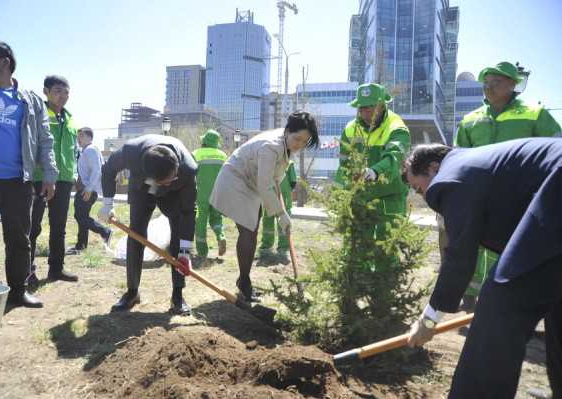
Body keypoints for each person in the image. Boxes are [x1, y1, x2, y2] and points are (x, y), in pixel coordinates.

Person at [404, 139, 562, 398]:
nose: (423, 196)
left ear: (433, 168)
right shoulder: (479, 168)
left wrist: (429, 318)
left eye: (418, 188)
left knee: (501, 302)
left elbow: (460, 256)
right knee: (555, 298)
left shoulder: (451, 176)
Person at [449, 62, 561, 312]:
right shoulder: (471, 120)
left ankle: (513, 304)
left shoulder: (535, 114)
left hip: (523, 197)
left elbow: (556, 150)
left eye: (496, 82)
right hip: (480, 196)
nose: (488, 87)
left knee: (516, 248)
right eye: (486, 82)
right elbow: (459, 157)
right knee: (473, 246)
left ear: (512, 84)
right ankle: (470, 303)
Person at [0, 38, 57, 307]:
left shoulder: (31, 101)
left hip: (17, 181)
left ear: (4, 62)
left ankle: (18, 291)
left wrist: (49, 174)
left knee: (19, 240)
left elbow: (45, 139)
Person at [210, 111, 319, 302]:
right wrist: (280, 214)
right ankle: (244, 283)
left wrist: (281, 211)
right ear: (287, 131)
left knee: (252, 226)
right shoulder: (271, 147)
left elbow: (274, 180)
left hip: (249, 183)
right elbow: (265, 185)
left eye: (305, 142)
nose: (299, 145)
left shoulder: (285, 144)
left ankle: (244, 282)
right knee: (249, 231)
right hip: (236, 180)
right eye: (297, 139)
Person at [99, 134, 197, 314]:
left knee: (177, 234)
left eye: (169, 179)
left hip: (175, 194)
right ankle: (132, 292)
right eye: (162, 182)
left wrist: (185, 251)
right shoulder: (130, 152)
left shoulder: (188, 169)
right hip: (141, 190)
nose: (165, 183)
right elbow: (108, 170)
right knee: (136, 235)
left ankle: (178, 295)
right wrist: (107, 204)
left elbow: (188, 214)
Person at [334, 83, 410, 240]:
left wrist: (374, 172)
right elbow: (344, 164)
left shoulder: (396, 127)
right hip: (361, 199)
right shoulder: (350, 129)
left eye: (370, 108)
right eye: (361, 108)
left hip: (390, 196)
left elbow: (394, 157)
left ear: (382, 105)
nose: (365, 112)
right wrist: (340, 191)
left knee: (387, 249)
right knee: (359, 249)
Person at [28, 75, 78, 286]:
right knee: (32, 226)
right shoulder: (38, 115)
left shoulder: (69, 118)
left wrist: (74, 175)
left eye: (66, 92)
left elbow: (73, 150)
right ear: (46, 91)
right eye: (57, 91)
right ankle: (26, 271)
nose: (62, 95)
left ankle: (56, 269)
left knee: (59, 226)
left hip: (64, 179)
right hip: (40, 178)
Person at [67, 127, 111, 254]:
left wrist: (89, 189)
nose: (78, 138)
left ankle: (105, 232)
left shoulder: (90, 150)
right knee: (82, 216)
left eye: (81, 136)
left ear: (90, 137)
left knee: (80, 216)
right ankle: (81, 245)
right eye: (78, 136)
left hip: (88, 190)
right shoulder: (85, 151)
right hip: (85, 189)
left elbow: (96, 170)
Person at [191, 129, 227, 259]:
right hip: (218, 194)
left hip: (201, 194)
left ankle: (202, 252)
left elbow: (189, 173)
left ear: (204, 141)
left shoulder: (196, 154)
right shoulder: (223, 155)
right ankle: (221, 236)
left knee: (201, 221)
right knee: (216, 218)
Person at [257, 160, 297, 264]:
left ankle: (275, 249)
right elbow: (293, 182)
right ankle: (273, 249)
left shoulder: (286, 162)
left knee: (276, 224)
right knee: (271, 225)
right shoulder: (285, 162)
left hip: (277, 198)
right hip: (273, 196)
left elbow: (293, 182)